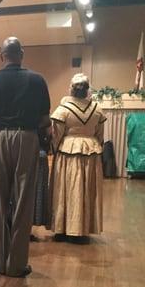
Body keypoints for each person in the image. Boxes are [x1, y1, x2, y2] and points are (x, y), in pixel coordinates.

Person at [0, 37, 50, 277]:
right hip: (27, 137)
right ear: (22, 53)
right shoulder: (37, 80)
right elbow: (44, 120)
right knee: (23, 201)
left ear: (1, 56)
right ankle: (16, 264)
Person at [48, 73, 106, 243]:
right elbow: (100, 136)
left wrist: (56, 148)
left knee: (65, 190)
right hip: (91, 152)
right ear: (87, 89)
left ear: (71, 89)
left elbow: (56, 136)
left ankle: (62, 228)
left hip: (68, 153)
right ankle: (82, 230)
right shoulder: (97, 109)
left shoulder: (63, 110)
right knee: (86, 190)